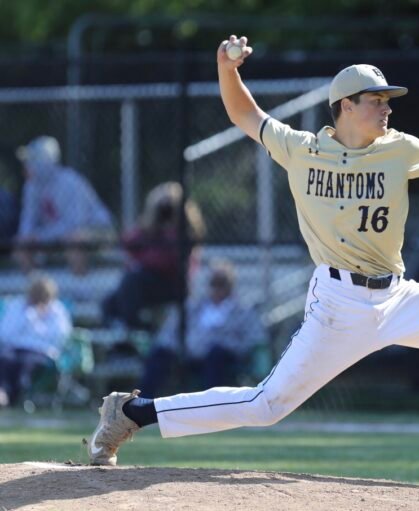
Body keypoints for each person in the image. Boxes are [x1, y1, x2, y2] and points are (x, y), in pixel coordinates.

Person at [86, 35, 419, 496]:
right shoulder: (303, 150)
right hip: (338, 303)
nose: (386, 108)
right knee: (265, 406)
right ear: (346, 105)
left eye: (387, 100)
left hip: (398, 296)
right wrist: (227, 69)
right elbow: (245, 115)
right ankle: (132, 412)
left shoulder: (400, 149)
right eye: (376, 100)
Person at [139, 260, 266, 397]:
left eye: (222, 283)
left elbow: (253, 339)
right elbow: (169, 332)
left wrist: (229, 345)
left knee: (216, 355)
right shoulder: (194, 307)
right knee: (160, 353)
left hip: (219, 358)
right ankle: (143, 400)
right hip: (188, 353)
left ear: (230, 285)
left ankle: (211, 403)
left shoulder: (242, 310)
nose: (217, 288)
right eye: (214, 283)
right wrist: (175, 347)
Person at [101, 181, 206, 329]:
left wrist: (170, 226)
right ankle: (121, 331)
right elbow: (128, 243)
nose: (165, 212)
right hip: (148, 283)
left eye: (169, 207)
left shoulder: (184, 231)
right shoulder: (152, 229)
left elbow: (164, 261)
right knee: (109, 302)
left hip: (174, 284)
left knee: (133, 279)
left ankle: (134, 328)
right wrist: (149, 221)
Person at [13, 136, 114, 275]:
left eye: (32, 160)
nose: (27, 165)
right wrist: (27, 238)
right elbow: (27, 221)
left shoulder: (69, 182)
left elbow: (74, 225)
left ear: (45, 160)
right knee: (22, 243)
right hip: (56, 235)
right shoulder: (31, 187)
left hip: (98, 230)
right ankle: (34, 284)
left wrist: (40, 238)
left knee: (75, 240)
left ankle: (80, 284)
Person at [0, 275, 73, 407]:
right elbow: (5, 332)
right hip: (15, 347)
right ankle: (3, 392)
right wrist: (28, 316)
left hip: (41, 351)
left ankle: (13, 397)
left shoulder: (57, 310)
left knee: (26, 363)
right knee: (5, 359)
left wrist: (41, 319)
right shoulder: (17, 305)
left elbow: (61, 335)